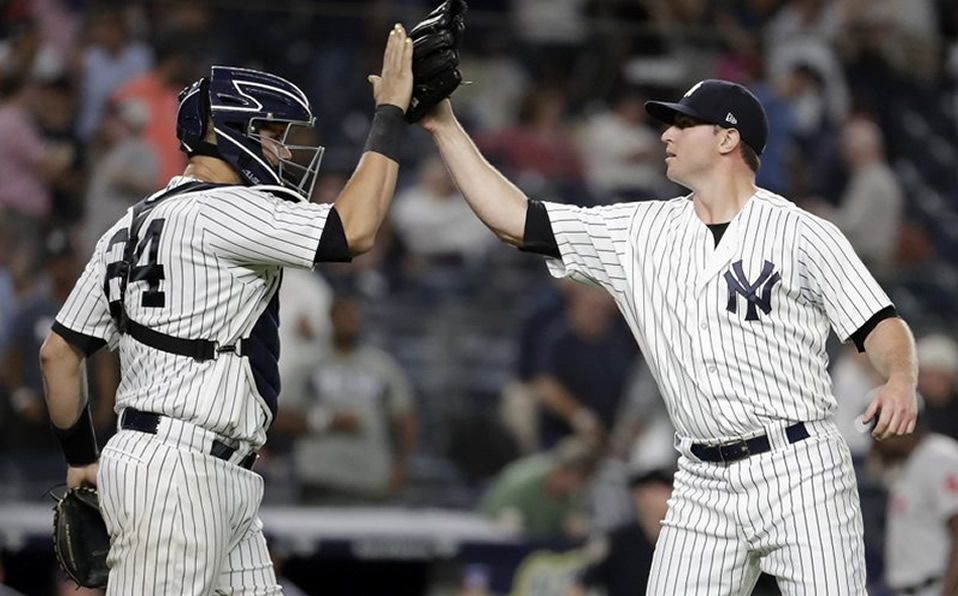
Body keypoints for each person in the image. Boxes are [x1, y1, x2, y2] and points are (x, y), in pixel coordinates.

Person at [418, 78, 919, 593]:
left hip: (799, 468)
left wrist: (900, 378)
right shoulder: (639, 231)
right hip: (701, 478)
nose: (665, 135)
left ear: (727, 138)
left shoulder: (803, 234)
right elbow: (516, 221)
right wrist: (444, 125)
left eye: (683, 123)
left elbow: (879, 324)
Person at [39, 24, 413, 595]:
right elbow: (355, 230)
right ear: (230, 133)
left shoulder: (127, 226)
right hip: (177, 473)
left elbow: (59, 353)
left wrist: (81, 458)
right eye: (272, 133)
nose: (283, 150)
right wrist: (389, 114)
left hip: (204, 472)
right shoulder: (226, 209)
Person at [274, 294, 417, 504]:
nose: (348, 321)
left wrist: (402, 468)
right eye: (343, 315)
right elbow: (279, 417)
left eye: (353, 315)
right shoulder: (308, 365)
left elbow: (404, 419)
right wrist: (327, 421)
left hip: (372, 480)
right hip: (320, 479)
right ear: (331, 318)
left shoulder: (382, 366)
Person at [872, 402, 958, 596]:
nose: (875, 441)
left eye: (880, 431)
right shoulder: (907, 463)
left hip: (935, 587)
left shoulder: (938, 457)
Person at [479, 436, 598, 541]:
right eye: (579, 480)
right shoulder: (523, 480)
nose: (578, 487)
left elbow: (573, 524)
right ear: (563, 471)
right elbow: (495, 521)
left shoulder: (571, 494)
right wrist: (507, 523)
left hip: (542, 548)